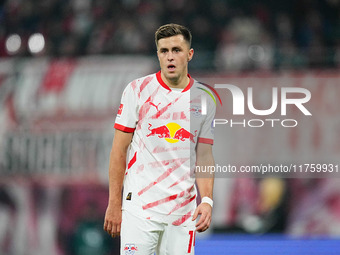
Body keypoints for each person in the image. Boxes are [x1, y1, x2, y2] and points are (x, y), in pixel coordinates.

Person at [103, 23, 216, 255]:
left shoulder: (204, 100)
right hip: (140, 209)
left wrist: (207, 200)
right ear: (158, 54)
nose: (170, 57)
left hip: (183, 212)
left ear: (190, 54)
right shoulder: (137, 90)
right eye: (164, 51)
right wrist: (115, 203)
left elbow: (204, 155)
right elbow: (118, 151)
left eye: (176, 50)